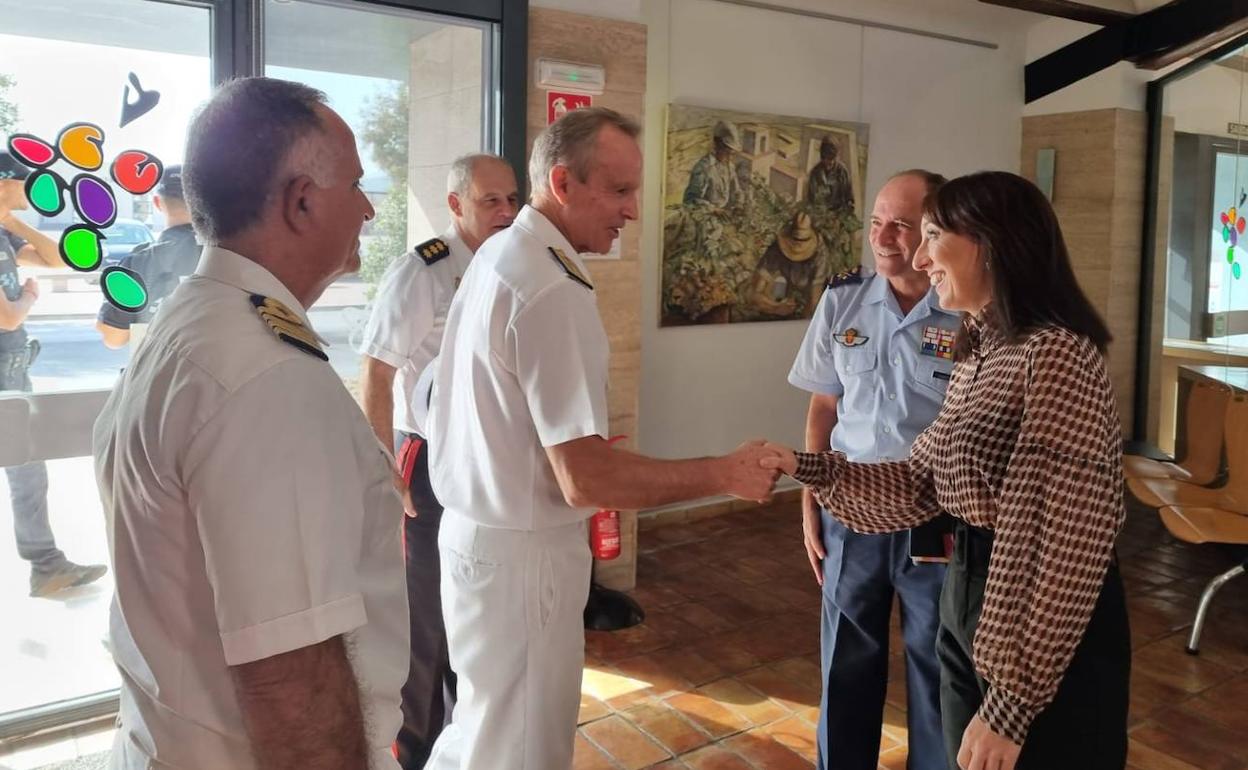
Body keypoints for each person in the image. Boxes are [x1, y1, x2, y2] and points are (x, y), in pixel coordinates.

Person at [423, 106, 779, 770]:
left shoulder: (499, 253)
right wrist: (723, 474)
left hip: (479, 540)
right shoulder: (547, 287)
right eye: (618, 191)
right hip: (522, 555)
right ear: (563, 181)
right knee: (519, 750)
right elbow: (586, 478)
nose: (633, 212)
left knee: (480, 732)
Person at [763, 171, 1130, 770]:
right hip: (975, 592)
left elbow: (1066, 546)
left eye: (932, 234)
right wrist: (804, 468)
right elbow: (918, 479)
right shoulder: (983, 346)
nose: (921, 255)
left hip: (1026, 614)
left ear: (989, 244)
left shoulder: (1055, 356)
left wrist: (1011, 705)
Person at [92, 77, 408, 770]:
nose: (368, 210)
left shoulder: (191, 326)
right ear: (301, 201)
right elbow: (289, 673)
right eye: (356, 185)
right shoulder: (267, 378)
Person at [787, 170, 956, 770]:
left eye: (902, 224)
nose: (883, 237)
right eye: (877, 221)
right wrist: (811, 502)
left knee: (937, 666)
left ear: (935, 232)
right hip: (849, 513)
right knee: (845, 663)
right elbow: (822, 407)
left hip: (936, 520)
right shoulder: (843, 299)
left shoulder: (967, 307)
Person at [358, 152, 518, 769]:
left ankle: (463, 741)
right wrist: (385, 466)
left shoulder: (510, 266)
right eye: (490, 202)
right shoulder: (424, 271)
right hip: (422, 458)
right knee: (422, 615)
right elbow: (376, 369)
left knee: (470, 603)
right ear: (456, 205)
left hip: (483, 457)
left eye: (511, 200)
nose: (505, 213)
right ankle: (413, 752)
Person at [0, 150, 108, 597]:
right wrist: (27, 299)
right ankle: (45, 565)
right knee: (25, 466)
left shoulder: (4, 233)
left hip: (12, 362)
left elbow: (57, 258)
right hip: (5, 359)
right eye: (26, 183)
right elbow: (6, 318)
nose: (33, 192)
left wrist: (12, 221)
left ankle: (46, 566)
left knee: (28, 467)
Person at [96, 164, 200, 349]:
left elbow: (113, 338)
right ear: (202, 202)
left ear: (158, 203)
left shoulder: (136, 263)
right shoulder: (230, 255)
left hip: (158, 374)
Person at [746, 210, 825, 320]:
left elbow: (815, 300)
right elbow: (754, 295)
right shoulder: (775, 252)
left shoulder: (819, 255)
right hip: (771, 312)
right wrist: (775, 308)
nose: (799, 244)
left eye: (803, 240)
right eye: (796, 240)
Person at [683, 120, 741, 211]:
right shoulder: (703, 168)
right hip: (705, 216)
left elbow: (737, 191)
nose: (730, 158)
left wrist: (738, 203)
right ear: (717, 146)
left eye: (732, 154)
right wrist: (713, 209)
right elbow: (690, 200)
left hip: (722, 214)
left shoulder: (730, 167)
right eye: (727, 153)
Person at [806, 137, 853, 213]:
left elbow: (849, 198)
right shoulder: (815, 173)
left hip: (839, 214)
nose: (829, 162)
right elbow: (811, 199)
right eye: (825, 158)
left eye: (832, 159)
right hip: (819, 215)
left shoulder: (842, 172)